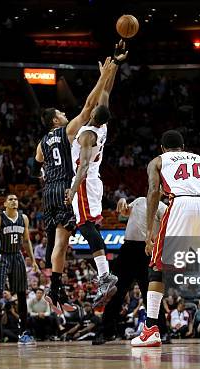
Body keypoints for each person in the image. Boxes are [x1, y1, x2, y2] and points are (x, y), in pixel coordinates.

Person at [34, 42, 127, 313]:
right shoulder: (75, 131)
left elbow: (38, 164)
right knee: (70, 237)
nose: (65, 114)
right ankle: (100, 275)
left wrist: (110, 71)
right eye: (61, 114)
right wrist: (106, 73)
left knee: (56, 244)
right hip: (68, 185)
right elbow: (92, 103)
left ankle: (55, 291)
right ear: (55, 121)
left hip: (48, 190)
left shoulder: (41, 142)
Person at [132, 130, 200, 347]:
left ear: (162, 148)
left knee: (157, 268)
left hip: (180, 203)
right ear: (183, 146)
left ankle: (151, 329)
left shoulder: (158, 161)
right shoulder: (198, 159)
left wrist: (150, 232)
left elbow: (153, 191)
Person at [64, 47, 128, 308]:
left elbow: (83, 165)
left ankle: (104, 273)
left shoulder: (88, 134)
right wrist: (111, 68)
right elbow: (105, 94)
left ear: (91, 116)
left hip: (86, 181)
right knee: (88, 226)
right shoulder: (101, 125)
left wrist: (72, 189)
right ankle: (104, 272)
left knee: (85, 226)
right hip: (94, 181)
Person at [97, 196, 168, 344]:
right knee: (116, 291)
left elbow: (167, 230)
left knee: (151, 294)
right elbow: (124, 212)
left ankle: (161, 331)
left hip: (148, 251)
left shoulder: (162, 207)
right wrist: (122, 201)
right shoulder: (139, 200)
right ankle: (106, 331)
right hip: (128, 250)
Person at [0, 194, 39, 346]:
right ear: (5, 204)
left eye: (16, 199)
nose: (14, 201)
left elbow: (27, 241)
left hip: (17, 256)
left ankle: (24, 333)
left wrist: (33, 260)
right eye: (11, 199)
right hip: (2, 257)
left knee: (22, 294)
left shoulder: (24, 218)